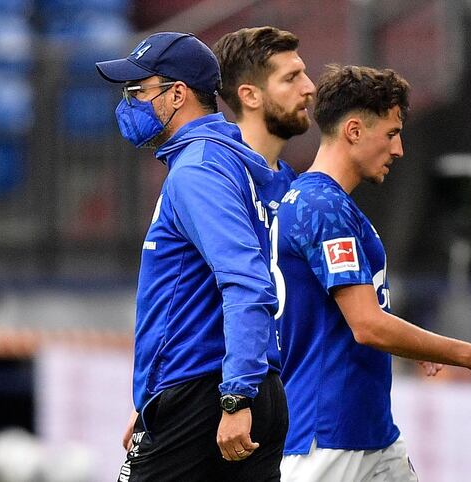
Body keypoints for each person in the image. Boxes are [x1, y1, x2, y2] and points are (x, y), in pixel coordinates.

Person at [274, 64, 471, 482]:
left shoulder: (324, 203)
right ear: (354, 130)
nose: (399, 150)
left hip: (370, 434)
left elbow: (357, 312)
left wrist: (422, 347)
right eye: (391, 133)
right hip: (329, 437)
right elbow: (367, 326)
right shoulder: (324, 208)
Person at [96, 32, 286, 481]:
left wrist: (235, 396)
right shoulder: (225, 160)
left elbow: (246, 282)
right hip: (224, 386)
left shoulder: (198, 169)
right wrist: (152, 400)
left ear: (177, 93)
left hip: (208, 393)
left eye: (138, 91)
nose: (129, 104)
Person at [212, 26, 315, 219]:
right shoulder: (215, 176)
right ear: (250, 96)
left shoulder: (293, 185)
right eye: (291, 78)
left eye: (303, 74)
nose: (309, 87)